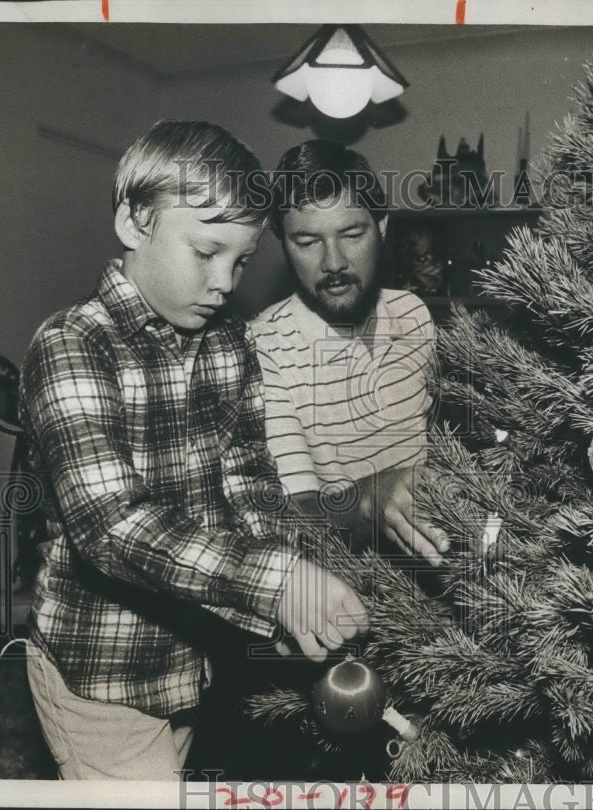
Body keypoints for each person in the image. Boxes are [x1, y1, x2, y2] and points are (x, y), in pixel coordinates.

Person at [18, 120, 368, 781]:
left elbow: (248, 481)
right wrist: (273, 582)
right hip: (99, 673)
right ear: (133, 221)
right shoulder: (71, 345)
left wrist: (292, 574)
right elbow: (112, 525)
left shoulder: (229, 345)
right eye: (206, 252)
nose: (225, 281)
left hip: (189, 659)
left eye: (239, 260)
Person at [250, 140, 450, 567]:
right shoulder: (264, 346)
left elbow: (440, 442)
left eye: (351, 234)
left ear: (381, 229)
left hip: (436, 569)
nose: (334, 262)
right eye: (307, 241)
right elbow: (295, 518)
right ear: (283, 245)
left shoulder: (414, 314)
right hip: (341, 589)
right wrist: (374, 499)